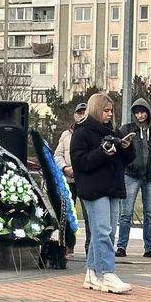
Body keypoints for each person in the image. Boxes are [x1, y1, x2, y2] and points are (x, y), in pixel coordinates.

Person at [70, 93, 136, 295]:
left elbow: (125, 161)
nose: (109, 115)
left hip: (112, 188)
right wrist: (102, 152)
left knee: (107, 232)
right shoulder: (81, 133)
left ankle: (91, 273)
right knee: (102, 231)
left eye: (111, 111)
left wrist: (126, 148)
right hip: (93, 189)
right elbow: (80, 162)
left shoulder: (112, 131)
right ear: (97, 110)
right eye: (106, 111)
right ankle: (107, 273)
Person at [116, 98, 151, 259]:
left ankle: (149, 247)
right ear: (134, 114)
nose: (140, 115)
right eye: (137, 112)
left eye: (143, 112)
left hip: (150, 177)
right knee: (126, 213)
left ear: (148, 112)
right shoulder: (126, 129)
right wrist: (127, 165)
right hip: (131, 176)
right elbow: (118, 149)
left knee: (149, 214)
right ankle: (121, 246)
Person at [54, 103, 90, 255]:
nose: (81, 115)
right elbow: (57, 155)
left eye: (84, 113)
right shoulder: (65, 135)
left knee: (89, 215)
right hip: (68, 180)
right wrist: (65, 168)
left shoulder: (91, 133)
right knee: (67, 214)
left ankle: (90, 246)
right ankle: (68, 244)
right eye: (78, 113)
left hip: (86, 180)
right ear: (75, 115)